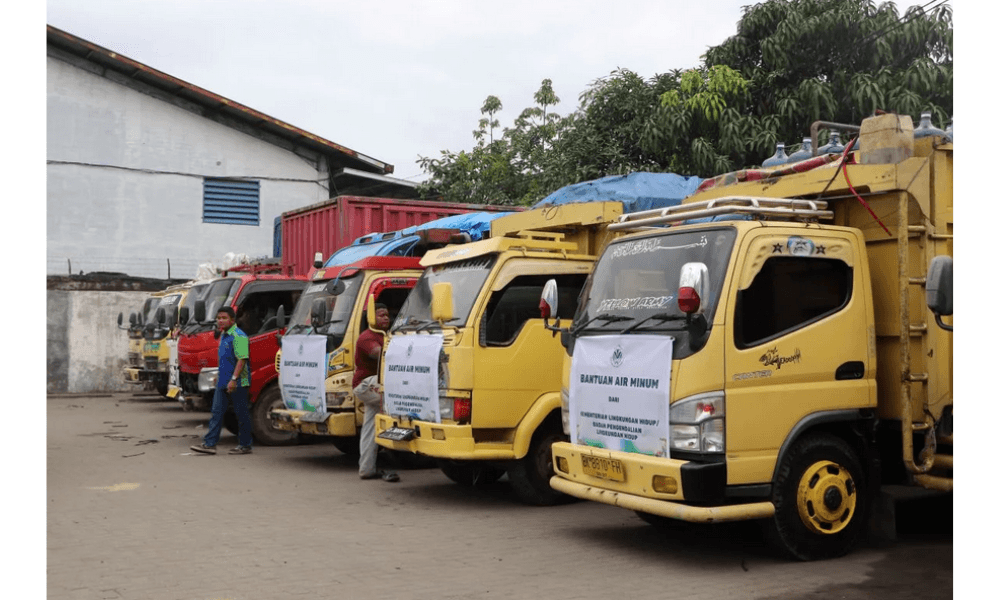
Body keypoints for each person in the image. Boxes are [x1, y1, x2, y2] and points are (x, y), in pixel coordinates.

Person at [191, 306, 253, 455]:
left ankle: (245, 445)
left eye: (224, 318)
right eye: (219, 318)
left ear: (232, 320)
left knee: (241, 414)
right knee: (216, 412)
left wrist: (233, 379)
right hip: (223, 381)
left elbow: (241, 360)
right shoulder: (224, 335)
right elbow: (225, 360)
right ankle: (210, 444)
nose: (220, 321)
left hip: (238, 382)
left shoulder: (239, 336)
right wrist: (219, 377)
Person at [353, 303, 399, 482]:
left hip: (370, 385)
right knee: (396, 399)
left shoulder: (383, 336)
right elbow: (380, 354)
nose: (386, 318)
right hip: (366, 384)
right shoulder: (368, 337)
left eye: (387, 315)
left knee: (369, 428)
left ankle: (366, 469)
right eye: (381, 315)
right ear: (372, 318)